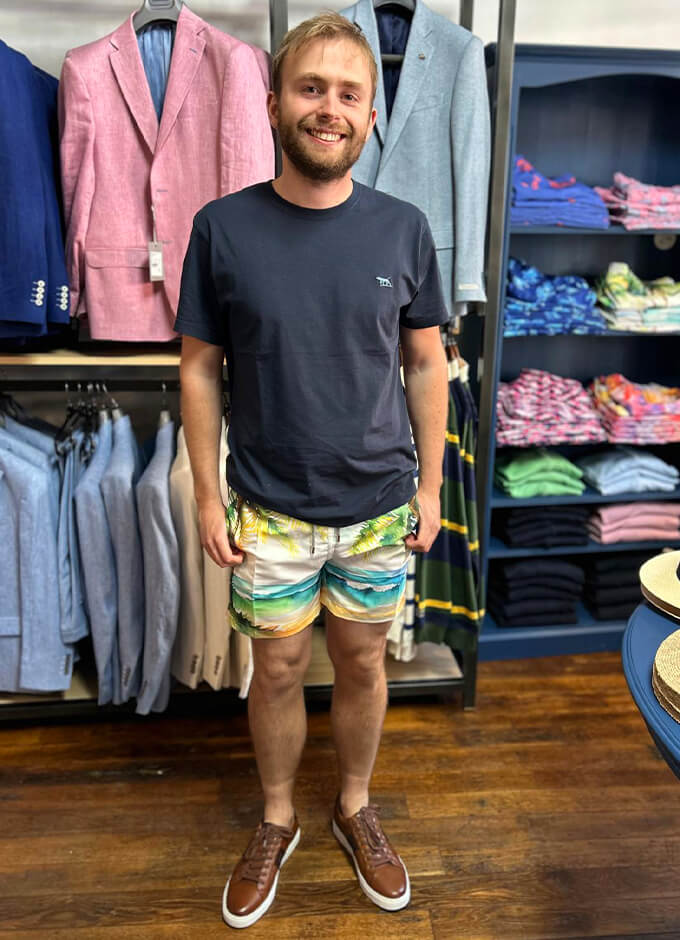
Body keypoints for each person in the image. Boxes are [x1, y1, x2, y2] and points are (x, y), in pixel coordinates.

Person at [174, 11, 449, 929]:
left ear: (370, 116)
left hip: (378, 503)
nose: (329, 107)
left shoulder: (405, 229)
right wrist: (207, 493)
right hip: (268, 505)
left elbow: (425, 363)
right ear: (273, 104)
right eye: (310, 88)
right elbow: (199, 368)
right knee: (280, 668)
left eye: (348, 93)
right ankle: (277, 816)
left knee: (364, 663)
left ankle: (355, 806)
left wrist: (430, 487)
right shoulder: (221, 229)